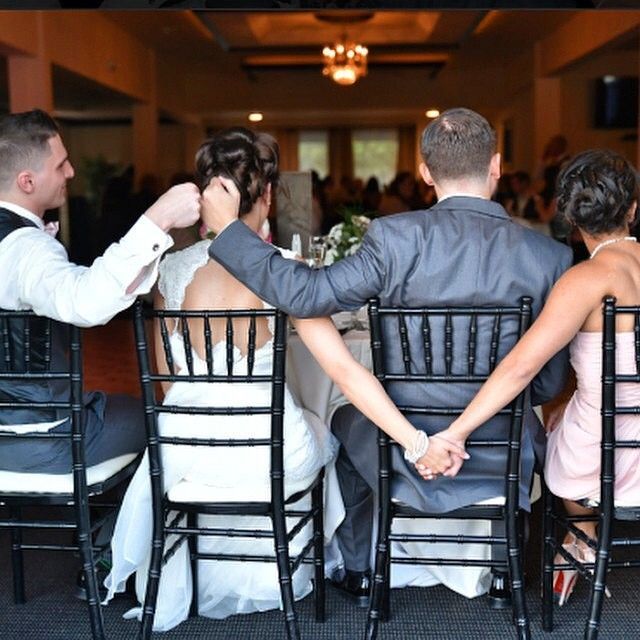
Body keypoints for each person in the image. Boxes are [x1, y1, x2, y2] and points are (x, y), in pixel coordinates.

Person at [201, 108, 573, 607]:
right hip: (501, 440)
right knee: (535, 425)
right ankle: (505, 573)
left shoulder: (392, 238)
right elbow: (547, 384)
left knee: (342, 420)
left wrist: (228, 231)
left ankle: (359, 569)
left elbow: (308, 296)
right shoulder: (548, 257)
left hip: (399, 439)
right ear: (497, 166)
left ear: (424, 171)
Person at [104, 127, 465, 631]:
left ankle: (213, 564)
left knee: (303, 424)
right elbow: (343, 368)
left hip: (184, 449)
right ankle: (309, 562)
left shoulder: (170, 272)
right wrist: (414, 441)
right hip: (266, 453)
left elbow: (168, 379)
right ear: (269, 195)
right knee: (327, 425)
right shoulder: (282, 271)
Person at [424, 148, 640, 606]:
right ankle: (583, 534)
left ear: (568, 216)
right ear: (634, 209)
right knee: (569, 407)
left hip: (601, 454)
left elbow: (521, 367)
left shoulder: (587, 279)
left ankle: (581, 531)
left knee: (548, 423)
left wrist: (456, 432)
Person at [0, 108, 201, 474]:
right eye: (61, 165)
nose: (71, 173)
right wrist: (159, 218)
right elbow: (87, 302)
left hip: (20, 431)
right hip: (41, 438)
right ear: (27, 181)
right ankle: (120, 532)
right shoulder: (25, 247)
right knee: (162, 420)